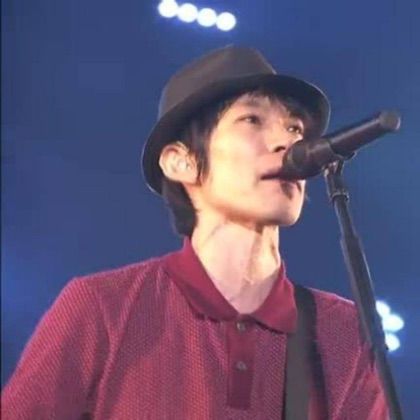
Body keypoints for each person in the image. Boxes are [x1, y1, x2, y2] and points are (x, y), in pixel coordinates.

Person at [2, 45, 388, 419]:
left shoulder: (343, 331)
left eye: (294, 128)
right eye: (252, 120)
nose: (287, 142)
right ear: (180, 162)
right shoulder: (103, 307)